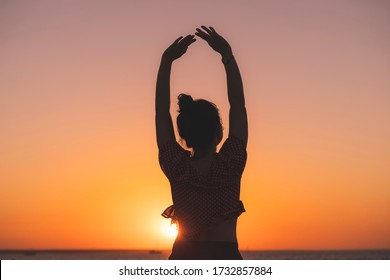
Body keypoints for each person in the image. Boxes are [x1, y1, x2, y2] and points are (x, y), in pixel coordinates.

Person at [155, 26, 248, 260]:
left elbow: (161, 113)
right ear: (218, 134)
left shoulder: (176, 165)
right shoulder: (232, 162)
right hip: (224, 259)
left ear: (184, 138)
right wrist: (227, 55)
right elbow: (238, 105)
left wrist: (166, 62)